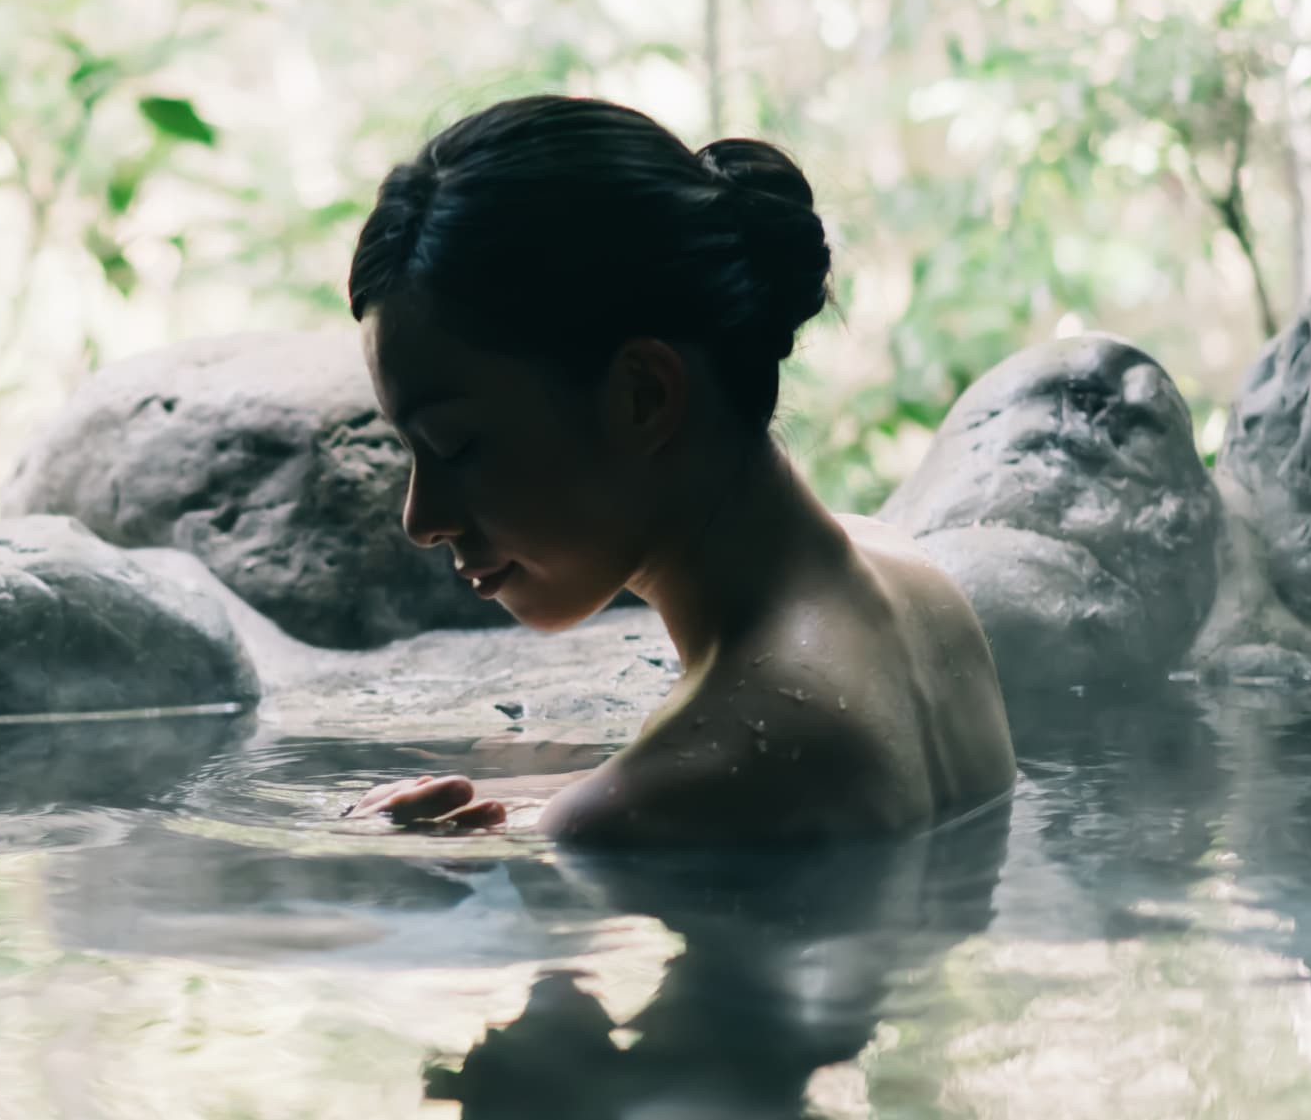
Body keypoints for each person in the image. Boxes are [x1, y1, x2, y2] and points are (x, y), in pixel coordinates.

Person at [340, 95, 1014, 845]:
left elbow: (708, 788)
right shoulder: (915, 587)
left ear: (643, 395)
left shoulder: (684, 786)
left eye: (457, 445)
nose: (420, 518)